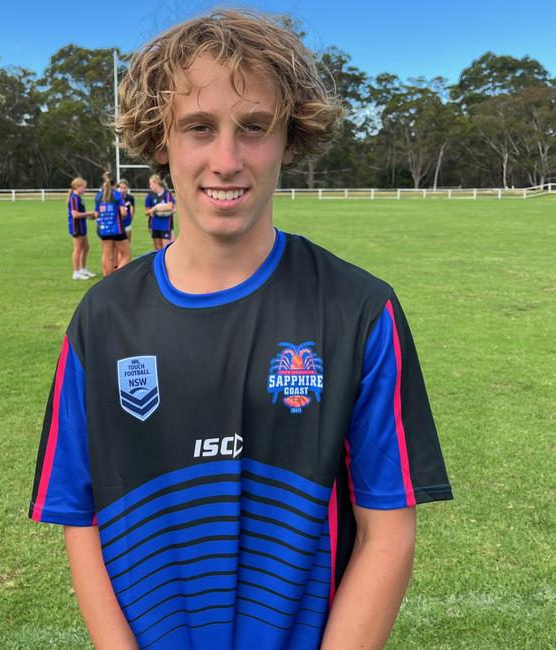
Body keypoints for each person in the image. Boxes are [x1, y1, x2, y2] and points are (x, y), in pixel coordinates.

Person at [30, 10, 452, 650]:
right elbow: (80, 514)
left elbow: (387, 532)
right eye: (199, 127)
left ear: (289, 139)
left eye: (254, 127)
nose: (226, 159)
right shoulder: (102, 319)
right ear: (160, 140)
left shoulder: (360, 310)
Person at [95, 172, 130, 276]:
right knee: (126, 255)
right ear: (115, 184)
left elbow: (97, 214)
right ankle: (117, 277)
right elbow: (123, 212)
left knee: (108, 256)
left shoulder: (99, 195)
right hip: (117, 229)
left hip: (104, 230)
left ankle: (109, 280)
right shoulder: (117, 195)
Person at [67, 177, 97, 280]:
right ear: (77, 187)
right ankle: (76, 272)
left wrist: (89, 216)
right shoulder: (74, 198)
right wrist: (90, 213)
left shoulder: (79, 198)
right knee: (78, 249)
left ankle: (83, 269)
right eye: (83, 187)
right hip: (76, 226)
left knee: (86, 247)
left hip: (82, 226)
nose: (85, 189)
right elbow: (75, 214)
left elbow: (80, 213)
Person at [145, 174, 176, 250]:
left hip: (166, 225)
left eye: (150, 183)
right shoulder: (149, 195)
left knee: (166, 249)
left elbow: (170, 206)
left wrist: (156, 208)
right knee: (157, 249)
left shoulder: (167, 194)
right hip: (154, 225)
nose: (150, 186)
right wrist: (151, 211)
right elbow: (146, 212)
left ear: (156, 183)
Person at [117, 178, 136, 248]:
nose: (123, 190)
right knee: (119, 245)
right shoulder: (115, 197)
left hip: (127, 223)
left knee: (127, 243)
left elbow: (133, 210)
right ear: (118, 188)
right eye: (121, 187)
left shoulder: (130, 198)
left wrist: (130, 219)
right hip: (118, 224)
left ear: (127, 188)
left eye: (124, 188)